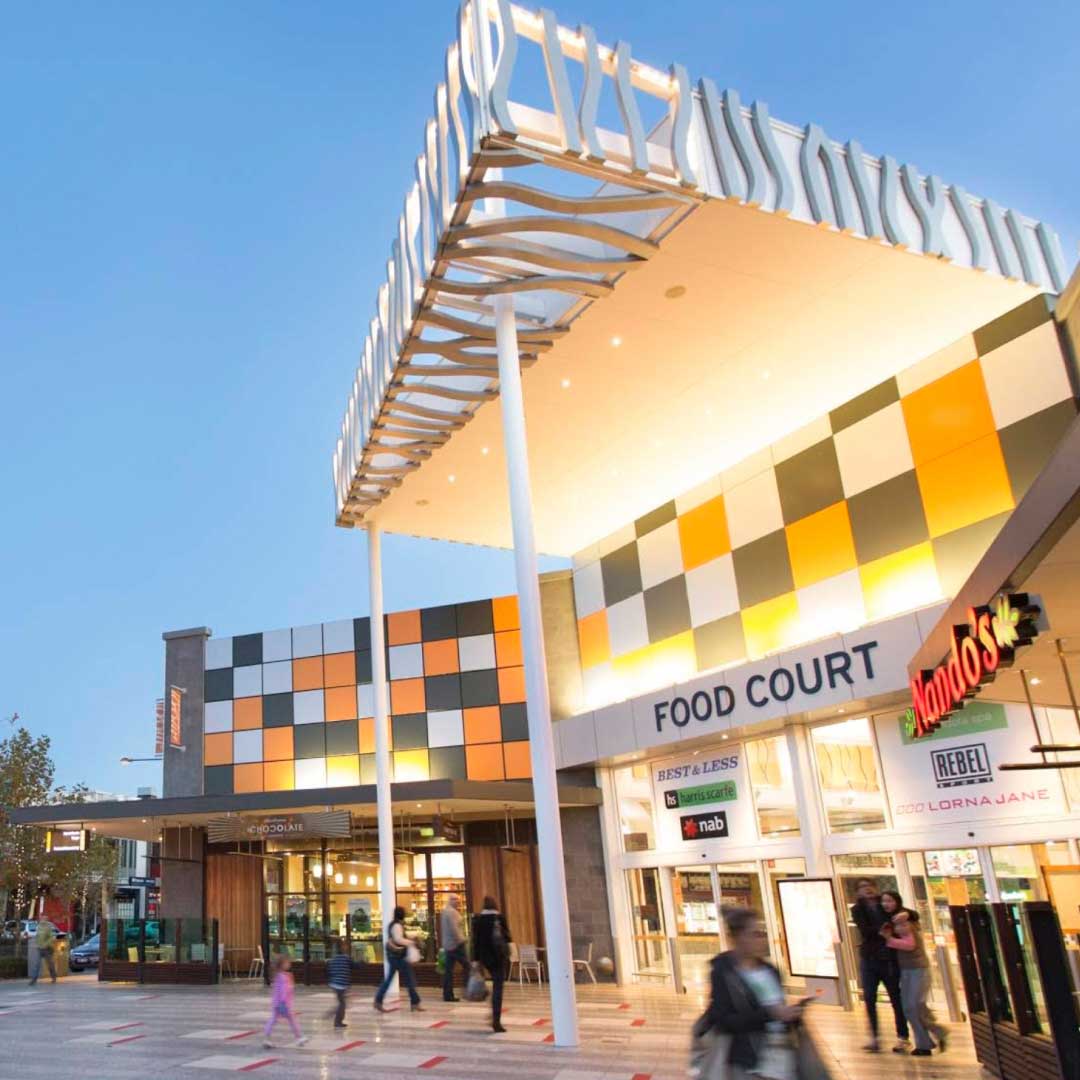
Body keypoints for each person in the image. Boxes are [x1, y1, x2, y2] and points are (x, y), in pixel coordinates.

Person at [699, 906, 805, 1078]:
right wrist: (770, 1014)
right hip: (748, 1064)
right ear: (737, 938)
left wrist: (792, 1014)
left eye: (761, 933)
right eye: (754, 933)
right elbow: (722, 1021)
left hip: (781, 1060)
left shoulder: (771, 971)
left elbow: (779, 1014)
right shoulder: (723, 974)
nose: (761, 939)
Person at [880, 891, 948, 1057]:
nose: (885, 904)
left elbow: (910, 944)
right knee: (911, 1007)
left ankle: (932, 1037)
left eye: (889, 901)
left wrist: (889, 939)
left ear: (897, 901)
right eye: (883, 901)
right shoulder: (893, 918)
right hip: (907, 969)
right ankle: (930, 1039)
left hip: (917, 969)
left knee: (914, 1006)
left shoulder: (903, 919)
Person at [850, 878, 909, 1053]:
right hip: (869, 958)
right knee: (869, 997)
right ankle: (874, 1037)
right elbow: (865, 930)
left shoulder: (885, 903)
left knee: (895, 997)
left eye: (869, 886)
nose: (866, 889)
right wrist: (884, 929)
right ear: (858, 892)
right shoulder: (858, 909)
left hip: (888, 957)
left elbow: (907, 913)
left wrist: (905, 916)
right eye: (862, 887)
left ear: (875, 888)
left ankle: (903, 1036)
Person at [471, 895, 511, 1033]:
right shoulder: (500, 918)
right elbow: (508, 937)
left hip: (484, 958)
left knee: (485, 983)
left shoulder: (477, 920)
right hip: (498, 957)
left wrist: (475, 960)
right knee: (498, 987)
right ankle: (496, 1019)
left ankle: (491, 1006)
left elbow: (475, 941)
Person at [374, 906, 422, 1012]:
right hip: (399, 957)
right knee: (409, 980)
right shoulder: (397, 925)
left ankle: (378, 1000)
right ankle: (415, 1002)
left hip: (394, 956)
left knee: (390, 979)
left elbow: (396, 938)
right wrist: (411, 942)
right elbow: (398, 939)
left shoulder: (393, 924)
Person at [263, 953, 307, 1048]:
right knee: (292, 1021)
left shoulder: (278, 975)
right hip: (284, 1004)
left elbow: (277, 990)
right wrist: (284, 1003)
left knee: (273, 1020)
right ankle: (299, 1038)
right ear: (282, 964)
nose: (289, 964)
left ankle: (266, 1038)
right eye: (287, 962)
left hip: (276, 1003)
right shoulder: (283, 977)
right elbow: (284, 991)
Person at [440, 895, 467, 1003]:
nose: (458, 902)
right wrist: (462, 940)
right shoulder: (452, 912)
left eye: (458, 900)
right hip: (456, 945)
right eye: (455, 900)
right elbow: (454, 929)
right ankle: (471, 990)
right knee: (468, 966)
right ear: (450, 900)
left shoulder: (445, 911)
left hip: (448, 945)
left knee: (448, 971)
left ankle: (447, 994)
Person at [326, 938, 352, 1029]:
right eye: (345, 945)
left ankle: (335, 1016)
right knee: (342, 1004)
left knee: (341, 1002)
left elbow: (329, 971)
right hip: (341, 984)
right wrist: (362, 963)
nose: (346, 947)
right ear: (342, 948)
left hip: (334, 984)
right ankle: (337, 1021)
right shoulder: (346, 958)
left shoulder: (333, 959)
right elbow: (354, 966)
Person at [29, 917, 57, 985]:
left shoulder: (48, 928)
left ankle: (53, 977)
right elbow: (37, 936)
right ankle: (34, 979)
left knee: (50, 964)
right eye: (41, 919)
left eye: (44, 919)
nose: (42, 920)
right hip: (40, 948)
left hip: (47, 948)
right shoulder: (38, 927)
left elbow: (52, 937)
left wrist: (46, 944)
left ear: (46, 920)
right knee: (37, 964)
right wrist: (35, 941)